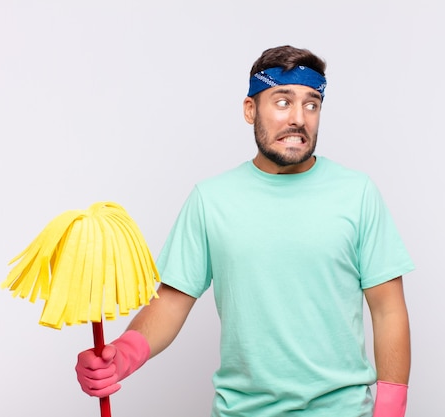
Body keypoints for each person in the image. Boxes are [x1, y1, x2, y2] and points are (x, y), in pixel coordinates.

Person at [76, 45, 415, 417]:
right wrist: (122, 355)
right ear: (250, 109)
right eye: (282, 102)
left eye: (311, 104)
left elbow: (388, 311)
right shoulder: (211, 199)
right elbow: (171, 302)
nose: (299, 119)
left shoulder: (357, 194)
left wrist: (391, 409)